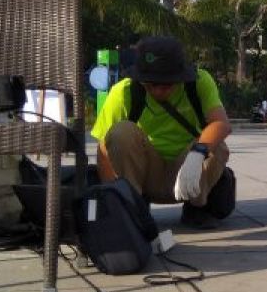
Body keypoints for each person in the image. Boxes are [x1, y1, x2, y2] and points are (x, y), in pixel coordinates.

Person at [91, 36, 233, 228]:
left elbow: (221, 124)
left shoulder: (199, 83)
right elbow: (103, 149)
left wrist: (197, 154)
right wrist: (113, 200)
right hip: (146, 174)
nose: (158, 91)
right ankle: (133, 205)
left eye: (166, 84)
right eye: (151, 84)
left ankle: (197, 208)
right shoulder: (123, 92)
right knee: (120, 132)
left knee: (217, 145)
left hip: (190, 171)